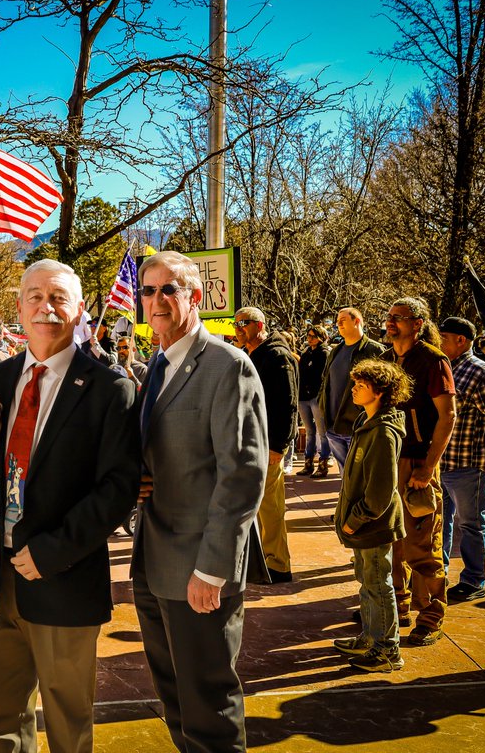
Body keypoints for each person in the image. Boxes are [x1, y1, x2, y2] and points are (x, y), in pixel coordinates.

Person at [0, 259, 140, 753]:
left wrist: (52, 552)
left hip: (62, 577)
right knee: (3, 717)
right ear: (19, 308)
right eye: (35, 297)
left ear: (79, 311)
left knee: (68, 724)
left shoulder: (111, 389)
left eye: (58, 298)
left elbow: (117, 487)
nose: (45, 308)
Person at [133, 251, 267, 753]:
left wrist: (212, 570)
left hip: (198, 569)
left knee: (208, 706)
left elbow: (243, 475)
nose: (157, 300)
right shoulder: (157, 365)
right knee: (175, 698)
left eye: (169, 289)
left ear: (196, 297)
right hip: (153, 561)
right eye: (148, 290)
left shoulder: (227, 366)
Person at [381, 297, 456, 647]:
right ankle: (397, 607)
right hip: (387, 462)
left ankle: (430, 616)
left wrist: (428, 468)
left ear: (418, 323)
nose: (391, 321)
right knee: (391, 543)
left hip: (417, 464)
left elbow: (448, 416)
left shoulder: (433, 360)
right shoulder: (385, 359)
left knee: (422, 546)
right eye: (389, 316)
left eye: (399, 317)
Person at [332, 359, 410, 673]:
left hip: (373, 525)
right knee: (367, 583)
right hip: (364, 525)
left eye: (361, 386)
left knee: (379, 584)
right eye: (355, 384)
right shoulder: (367, 421)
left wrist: (355, 519)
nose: (354, 389)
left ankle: (387, 649)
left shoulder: (383, 433)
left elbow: (380, 491)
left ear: (379, 392)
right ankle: (370, 637)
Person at [437, 318, 485, 602]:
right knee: (439, 522)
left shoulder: (480, 372)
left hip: (468, 464)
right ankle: (438, 574)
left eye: (444, 336)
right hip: (441, 462)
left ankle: (473, 580)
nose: (439, 341)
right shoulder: (445, 369)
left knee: (470, 524)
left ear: (461, 340)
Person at [234, 305, 298, 583]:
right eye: (236, 324)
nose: (238, 329)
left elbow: (288, 403)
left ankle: (278, 565)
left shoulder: (277, 355)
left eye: (244, 323)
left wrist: (278, 446)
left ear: (259, 326)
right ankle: (264, 560)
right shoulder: (253, 353)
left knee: (270, 507)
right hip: (252, 442)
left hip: (269, 444)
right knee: (257, 506)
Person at [320, 307, 386, 469]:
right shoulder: (335, 351)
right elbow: (325, 382)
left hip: (358, 427)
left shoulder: (374, 350)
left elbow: (384, 388)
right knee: (345, 477)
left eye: (342, 320)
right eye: (337, 321)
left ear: (356, 321)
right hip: (333, 426)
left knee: (360, 476)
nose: (338, 324)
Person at [298, 325, 332, 477]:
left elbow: (321, 376)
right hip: (303, 397)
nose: (310, 339)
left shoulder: (324, 353)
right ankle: (308, 463)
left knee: (322, 431)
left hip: (316, 396)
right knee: (309, 431)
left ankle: (323, 463)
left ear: (321, 337)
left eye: (313, 336)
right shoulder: (306, 352)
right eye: (308, 336)